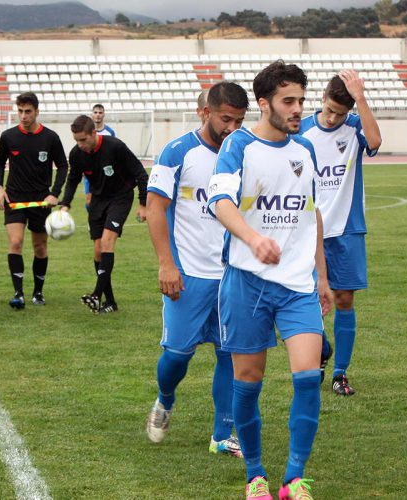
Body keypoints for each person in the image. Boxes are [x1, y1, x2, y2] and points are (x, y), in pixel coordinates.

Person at [207, 61, 334, 500]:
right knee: (248, 381)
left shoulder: (306, 150)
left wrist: (322, 275)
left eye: (301, 100)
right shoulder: (237, 146)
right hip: (247, 283)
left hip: (298, 284)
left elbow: (311, 213)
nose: (298, 109)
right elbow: (219, 202)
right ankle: (256, 475)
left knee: (306, 377)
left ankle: (294, 478)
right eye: (288, 101)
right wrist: (252, 237)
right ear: (265, 104)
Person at [144, 83, 248, 457]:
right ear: (205, 112)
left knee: (229, 353)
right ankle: (165, 399)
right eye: (225, 119)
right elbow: (155, 209)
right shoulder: (177, 152)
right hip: (188, 275)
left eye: (238, 120)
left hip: (234, 275)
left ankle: (222, 434)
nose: (231, 127)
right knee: (177, 354)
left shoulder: (245, 152)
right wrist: (166, 263)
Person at [300, 70, 382, 396]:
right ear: (322, 98)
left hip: (346, 228)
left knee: (345, 300)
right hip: (306, 230)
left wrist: (359, 98)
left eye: (340, 113)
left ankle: (340, 373)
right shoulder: (302, 130)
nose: (333, 118)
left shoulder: (354, 126)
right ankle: (319, 349)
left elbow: (375, 142)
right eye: (330, 109)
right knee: (305, 301)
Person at [59, 115, 147, 314]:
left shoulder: (115, 147)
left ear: (94, 133)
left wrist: (143, 204)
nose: (80, 145)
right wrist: (65, 204)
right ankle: (111, 302)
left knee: (107, 242)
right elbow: (73, 180)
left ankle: (96, 295)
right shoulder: (76, 154)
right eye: (76, 141)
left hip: (121, 197)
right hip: (98, 201)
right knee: (98, 250)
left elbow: (141, 173)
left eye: (83, 139)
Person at [0, 92, 68, 309]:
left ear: (36, 111)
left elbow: (63, 166)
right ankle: (18, 293)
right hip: (15, 199)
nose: (23, 116)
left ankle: (38, 292)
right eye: (20, 111)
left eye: (28, 111)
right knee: (15, 242)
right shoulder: (8, 136)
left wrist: (54, 193)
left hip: (40, 201)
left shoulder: (50, 137)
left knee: (40, 247)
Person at [83, 104, 117, 211]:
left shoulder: (110, 132)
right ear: (92, 114)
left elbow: (114, 151)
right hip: (90, 170)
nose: (98, 115)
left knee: (106, 199)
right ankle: (92, 222)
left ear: (104, 114)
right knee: (89, 201)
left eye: (100, 113)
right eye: (95, 112)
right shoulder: (87, 131)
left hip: (105, 171)